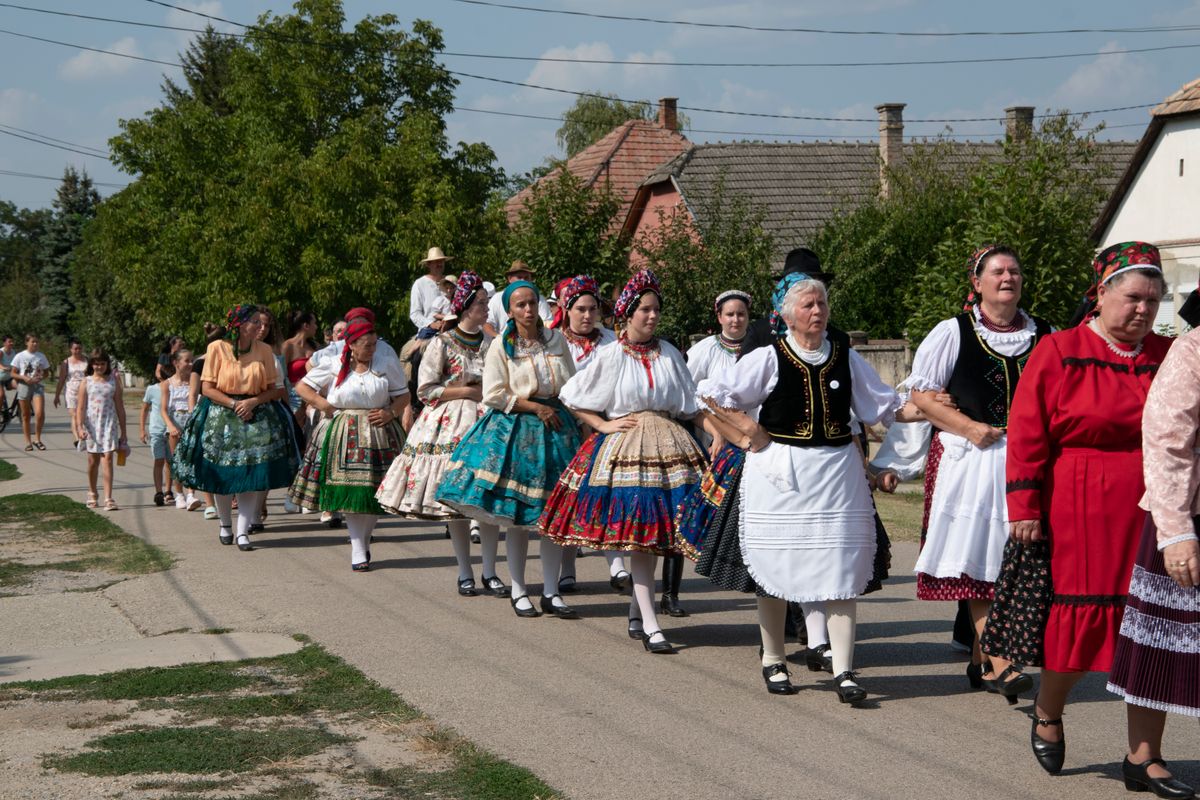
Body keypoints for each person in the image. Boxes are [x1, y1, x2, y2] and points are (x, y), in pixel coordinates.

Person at [982, 241, 1173, 776]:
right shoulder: (1060, 350)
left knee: (1153, 630)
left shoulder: (1169, 355)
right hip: (1080, 504)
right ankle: (1048, 709)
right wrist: (1024, 504)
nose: (1143, 309)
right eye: (1133, 297)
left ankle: (1144, 756)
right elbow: (1026, 433)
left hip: (1155, 506)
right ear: (1102, 293)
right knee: (1081, 625)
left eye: (1153, 301)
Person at [693, 273, 913, 701]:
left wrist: (934, 409)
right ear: (789, 316)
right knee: (775, 570)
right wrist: (748, 433)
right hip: (781, 476)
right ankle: (774, 658)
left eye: (822, 305)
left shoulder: (845, 357)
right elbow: (713, 394)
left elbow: (884, 405)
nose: (818, 312)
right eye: (809, 306)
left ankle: (844, 670)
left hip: (837, 475)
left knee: (842, 570)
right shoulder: (770, 356)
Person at [905, 245, 1051, 701]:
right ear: (978, 282)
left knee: (1020, 557)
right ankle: (1002, 661)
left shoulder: (1046, 334)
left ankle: (980, 659)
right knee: (980, 558)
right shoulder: (953, 332)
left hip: (1029, 461)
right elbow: (924, 397)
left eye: (1015, 270)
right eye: (998, 271)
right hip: (972, 459)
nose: (1008, 277)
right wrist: (970, 428)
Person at [539, 269, 709, 652]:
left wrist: (722, 436)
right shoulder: (611, 354)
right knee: (640, 536)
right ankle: (650, 625)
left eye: (655, 310)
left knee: (664, 535)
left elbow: (691, 405)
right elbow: (573, 394)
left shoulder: (668, 352)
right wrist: (601, 423)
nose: (651, 316)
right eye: (644, 310)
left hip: (671, 445)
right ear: (627, 313)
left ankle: (638, 610)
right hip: (626, 448)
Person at [436, 279, 580, 619]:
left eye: (532, 303)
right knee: (517, 517)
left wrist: (578, 419)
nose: (528, 310)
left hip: (558, 430)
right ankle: (518, 589)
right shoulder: (502, 345)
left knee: (552, 515)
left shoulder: (557, 340)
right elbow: (494, 394)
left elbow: (572, 385)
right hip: (518, 430)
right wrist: (535, 407)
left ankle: (551, 590)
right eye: (520, 305)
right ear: (510, 311)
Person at [1106, 297, 1200, 799]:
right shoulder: (1193, 351)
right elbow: (1166, 440)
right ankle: (1143, 758)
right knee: (1161, 645)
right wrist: (1177, 530)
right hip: (1189, 516)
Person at [376, 272, 503, 594]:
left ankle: (490, 570)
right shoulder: (441, 344)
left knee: (488, 502)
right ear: (465, 307)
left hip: (489, 422)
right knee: (455, 505)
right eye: (481, 304)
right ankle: (465, 571)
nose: (486, 309)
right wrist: (465, 392)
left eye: (487, 303)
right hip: (450, 424)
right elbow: (425, 390)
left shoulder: (493, 344)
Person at [172, 304, 300, 551]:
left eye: (261, 323)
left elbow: (275, 388)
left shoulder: (264, 350)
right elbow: (207, 388)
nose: (260, 327)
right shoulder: (216, 348)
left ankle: (242, 532)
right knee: (224, 476)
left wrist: (252, 401)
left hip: (255, 413)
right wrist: (233, 403)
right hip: (221, 413)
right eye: (254, 322)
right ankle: (225, 525)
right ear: (240, 325)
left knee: (250, 476)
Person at [290, 319, 408, 570]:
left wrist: (390, 412)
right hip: (345, 431)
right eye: (366, 345)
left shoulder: (385, 363)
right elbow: (302, 386)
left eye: (374, 344)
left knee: (376, 492)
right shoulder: (334, 364)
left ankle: (364, 540)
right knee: (352, 491)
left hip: (380, 431)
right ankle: (357, 547)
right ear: (352, 345)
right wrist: (326, 407)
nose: (372, 349)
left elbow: (403, 395)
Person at [546, 274, 625, 594]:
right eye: (580, 309)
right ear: (566, 309)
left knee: (608, 495)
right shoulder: (553, 341)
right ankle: (567, 569)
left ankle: (617, 565)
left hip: (606, 426)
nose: (588, 315)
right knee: (570, 499)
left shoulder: (612, 341)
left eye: (593, 309)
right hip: (565, 427)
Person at [73, 349, 126, 511]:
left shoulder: (113, 381)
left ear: (107, 364)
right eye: (96, 363)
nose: (99, 367)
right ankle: (92, 492)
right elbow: (80, 408)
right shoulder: (86, 382)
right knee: (92, 461)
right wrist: (80, 427)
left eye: (102, 364)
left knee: (108, 458)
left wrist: (124, 431)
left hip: (109, 424)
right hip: (91, 426)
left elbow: (119, 406)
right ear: (91, 365)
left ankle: (108, 498)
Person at [161, 348, 203, 511]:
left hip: (192, 421)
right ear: (176, 363)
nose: (190, 364)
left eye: (192, 360)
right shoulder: (168, 384)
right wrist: (171, 426)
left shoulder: (195, 382)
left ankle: (191, 493)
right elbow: (163, 409)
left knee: (192, 458)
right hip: (175, 422)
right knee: (176, 460)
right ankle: (179, 494)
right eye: (187, 361)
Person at [484, 261, 552, 338]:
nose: (523, 280)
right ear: (510, 279)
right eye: (519, 277)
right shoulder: (497, 298)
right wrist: (501, 340)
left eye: (526, 277)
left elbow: (547, 323)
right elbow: (487, 324)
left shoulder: (539, 299)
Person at [11, 333, 50, 451]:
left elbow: (47, 372)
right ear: (26, 343)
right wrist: (23, 378)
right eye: (32, 341)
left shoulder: (41, 356)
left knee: (39, 413)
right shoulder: (20, 356)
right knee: (26, 415)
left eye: (37, 342)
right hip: (24, 386)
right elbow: (13, 373)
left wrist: (41, 377)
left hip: (37, 386)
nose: (35, 344)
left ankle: (37, 439)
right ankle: (28, 442)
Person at [140, 367, 171, 506]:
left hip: (172, 431)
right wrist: (142, 429)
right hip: (157, 430)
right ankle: (159, 492)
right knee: (159, 461)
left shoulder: (176, 387)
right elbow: (145, 409)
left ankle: (169, 491)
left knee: (171, 462)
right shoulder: (152, 389)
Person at [410, 247, 455, 339]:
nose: (439, 264)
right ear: (428, 264)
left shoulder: (452, 281)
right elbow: (415, 314)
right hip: (429, 333)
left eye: (441, 261)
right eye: (436, 261)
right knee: (414, 351)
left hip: (453, 330)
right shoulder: (420, 284)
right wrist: (431, 324)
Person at [53, 338, 88, 416]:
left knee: (83, 416)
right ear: (70, 349)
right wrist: (57, 396)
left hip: (85, 392)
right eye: (75, 349)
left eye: (80, 348)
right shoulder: (66, 362)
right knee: (74, 416)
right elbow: (61, 380)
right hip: (71, 392)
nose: (78, 351)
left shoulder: (87, 361)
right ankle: (75, 428)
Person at [0, 334, 16, 411]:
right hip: (0, 378)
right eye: (9, 341)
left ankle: (20, 408)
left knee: (21, 388)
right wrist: (4, 367)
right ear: (4, 343)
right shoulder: (1, 352)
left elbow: (16, 364)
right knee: (1, 395)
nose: (12, 343)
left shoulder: (13, 352)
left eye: (12, 341)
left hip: (9, 378)